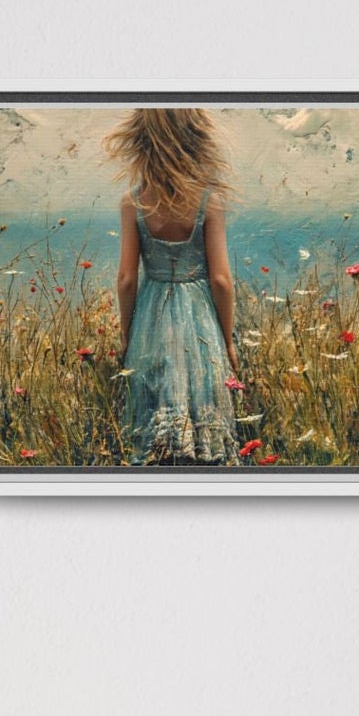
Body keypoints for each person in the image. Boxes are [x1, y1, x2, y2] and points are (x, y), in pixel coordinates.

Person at [106, 107, 239, 465]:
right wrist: (227, 341)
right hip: (199, 315)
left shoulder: (133, 201)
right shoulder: (209, 201)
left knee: (156, 404)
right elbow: (221, 280)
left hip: (151, 313)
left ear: (144, 142)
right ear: (194, 140)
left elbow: (127, 279)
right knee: (200, 396)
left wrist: (127, 334)